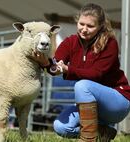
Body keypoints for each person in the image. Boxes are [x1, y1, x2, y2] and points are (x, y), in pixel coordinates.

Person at [32, 3, 130, 142]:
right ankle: (102, 132)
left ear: (101, 26)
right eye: (81, 24)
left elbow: (97, 74)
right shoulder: (70, 42)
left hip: (118, 101)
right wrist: (47, 63)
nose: (84, 29)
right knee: (60, 127)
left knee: (82, 85)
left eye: (90, 26)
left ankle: (87, 139)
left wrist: (68, 69)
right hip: (92, 105)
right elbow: (55, 65)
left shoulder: (110, 43)